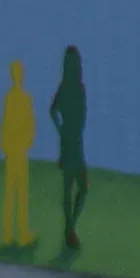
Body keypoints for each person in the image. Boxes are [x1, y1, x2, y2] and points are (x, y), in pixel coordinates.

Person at [49, 46, 88, 250]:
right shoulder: (75, 88)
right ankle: (69, 228)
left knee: (72, 185)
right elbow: (54, 111)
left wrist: (61, 129)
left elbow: (53, 111)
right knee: (78, 186)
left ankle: (69, 228)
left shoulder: (66, 87)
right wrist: (63, 129)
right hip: (73, 140)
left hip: (70, 140)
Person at [0, 60, 38, 248]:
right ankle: (20, 234)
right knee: (19, 194)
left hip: (14, 151)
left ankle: (9, 234)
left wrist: (7, 146)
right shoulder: (23, 99)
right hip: (19, 152)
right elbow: (29, 125)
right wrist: (24, 144)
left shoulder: (10, 98)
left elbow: (6, 125)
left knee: (12, 194)